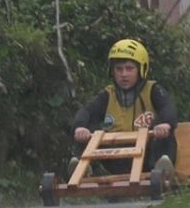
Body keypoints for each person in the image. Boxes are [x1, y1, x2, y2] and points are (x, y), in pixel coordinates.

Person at [70, 39, 177, 176]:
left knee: (165, 133)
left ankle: (162, 168)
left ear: (141, 69)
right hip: (115, 155)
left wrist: (165, 124)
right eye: (119, 69)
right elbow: (86, 111)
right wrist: (80, 127)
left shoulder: (153, 90)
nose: (124, 74)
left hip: (147, 155)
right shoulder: (108, 94)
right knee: (86, 130)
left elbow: (168, 107)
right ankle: (85, 168)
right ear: (112, 71)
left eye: (129, 68)